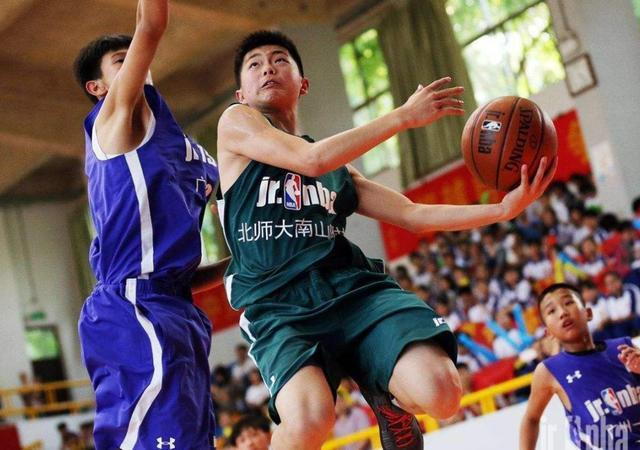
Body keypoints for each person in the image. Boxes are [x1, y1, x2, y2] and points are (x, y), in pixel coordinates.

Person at [217, 30, 556, 450]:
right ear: (241, 94)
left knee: (443, 394)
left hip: (351, 290)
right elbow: (310, 159)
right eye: (255, 64)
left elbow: (413, 215)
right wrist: (403, 116)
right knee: (308, 422)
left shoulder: (338, 170)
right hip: (280, 306)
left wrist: (502, 210)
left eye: (279, 59)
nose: (267, 67)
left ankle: (389, 403)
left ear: (303, 83)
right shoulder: (236, 123)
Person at [73, 1, 219, 448]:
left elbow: (173, 263)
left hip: (177, 305)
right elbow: (151, 23)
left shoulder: (184, 148)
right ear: (97, 87)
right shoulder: (115, 120)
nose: (138, 60)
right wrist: (145, 33)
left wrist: (242, 263)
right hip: (131, 307)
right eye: (122, 60)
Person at [520, 283, 640, 450]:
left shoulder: (624, 347)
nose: (562, 312)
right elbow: (531, 419)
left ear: (588, 313)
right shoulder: (549, 370)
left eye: (568, 302)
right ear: (548, 333)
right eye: (551, 311)